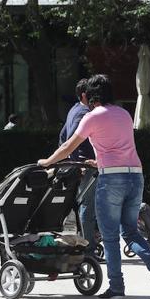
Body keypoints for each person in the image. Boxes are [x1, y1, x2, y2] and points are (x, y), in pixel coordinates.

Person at [38, 74, 150, 299]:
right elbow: (121, 147)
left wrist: (48, 162)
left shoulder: (91, 117)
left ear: (90, 95)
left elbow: (69, 145)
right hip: (135, 176)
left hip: (111, 179)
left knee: (109, 237)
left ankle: (116, 288)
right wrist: (98, 161)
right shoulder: (125, 114)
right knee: (129, 231)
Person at [58, 78, 99, 258]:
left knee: (84, 207)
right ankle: (88, 249)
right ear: (85, 95)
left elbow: (62, 135)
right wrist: (77, 164)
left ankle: (87, 242)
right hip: (86, 166)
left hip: (81, 165)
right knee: (87, 208)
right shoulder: (83, 113)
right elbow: (69, 140)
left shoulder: (74, 109)